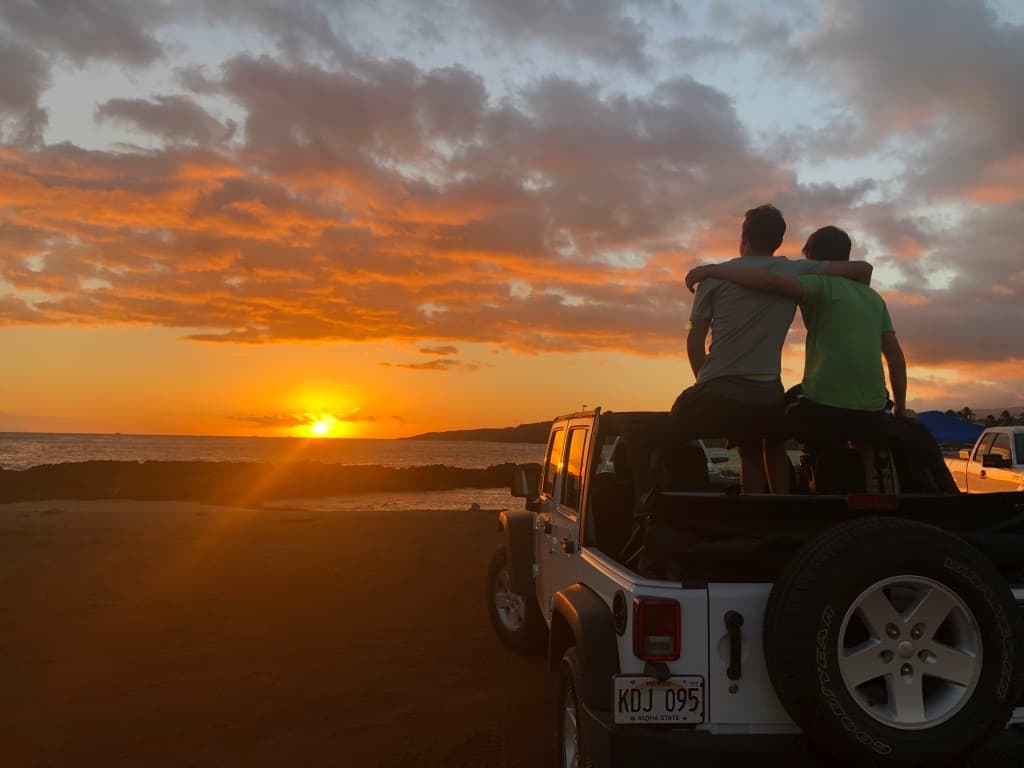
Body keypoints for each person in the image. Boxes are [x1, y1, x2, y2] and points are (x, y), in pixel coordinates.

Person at [685, 225, 956, 493]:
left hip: (824, 402)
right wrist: (899, 409)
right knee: (866, 436)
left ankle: (800, 494)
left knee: (775, 428)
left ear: (816, 261)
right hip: (873, 409)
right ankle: (870, 491)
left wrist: (714, 270)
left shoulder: (815, 284)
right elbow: (896, 359)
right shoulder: (875, 298)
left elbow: (768, 283)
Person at [671, 206, 872, 493]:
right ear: (778, 241)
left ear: (744, 236)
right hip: (767, 393)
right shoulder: (794, 269)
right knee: (772, 444)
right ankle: (782, 508)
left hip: (718, 384)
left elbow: (693, 339)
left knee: (683, 429)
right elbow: (862, 269)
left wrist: (705, 381)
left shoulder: (712, 278)